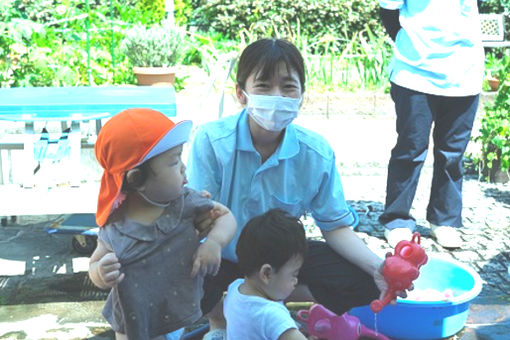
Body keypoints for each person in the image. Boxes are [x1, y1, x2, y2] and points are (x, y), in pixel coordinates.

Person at [187, 38, 392, 340]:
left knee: (365, 280)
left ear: (301, 97)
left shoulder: (316, 153)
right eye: (264, 86)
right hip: (224, 259)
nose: (277, 96)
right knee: (184, 270)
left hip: (282, 263)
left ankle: (274, 303)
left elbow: (335, 227)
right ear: (241, 94)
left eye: (287, 87)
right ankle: (220, 320)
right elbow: (198, 218)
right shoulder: (211, 142)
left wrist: (378, 267)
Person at [88, 108, 237, 340]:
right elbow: (96, 261)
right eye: (174, 161)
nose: (183, 167)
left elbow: (225, 216)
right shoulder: (117, 225)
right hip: (132, 317)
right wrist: (100, 273)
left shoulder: (185, 203)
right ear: (137, 179)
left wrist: (214, 243)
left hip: (174, 306)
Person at [378, 0, 484, 248]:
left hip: (465, 73)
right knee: (410, 149)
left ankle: (444, 221)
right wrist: (414, 47)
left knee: (452, 154)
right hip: (415, 72)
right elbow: (388, 11)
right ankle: (397, 220)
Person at [224, 209, 313, 340]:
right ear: (266, 273)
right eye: (294, 274)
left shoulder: (235, 288)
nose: (295, 281)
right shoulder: (272, 315)